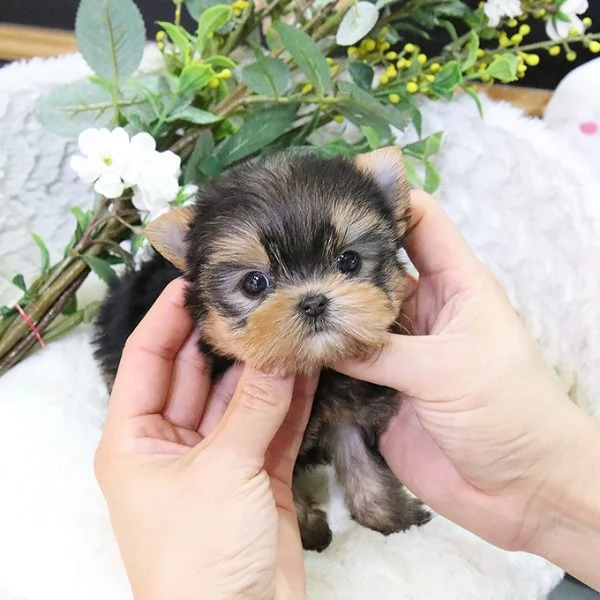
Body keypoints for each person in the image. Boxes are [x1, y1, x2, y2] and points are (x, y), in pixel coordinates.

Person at [94, 190, 600, 599]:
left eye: (348, 262)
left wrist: (548, 488)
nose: (313, 298)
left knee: (353, 416)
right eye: (256, 284)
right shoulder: (193, 368)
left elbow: (353, 419)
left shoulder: (397, 355)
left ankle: (373, 502)